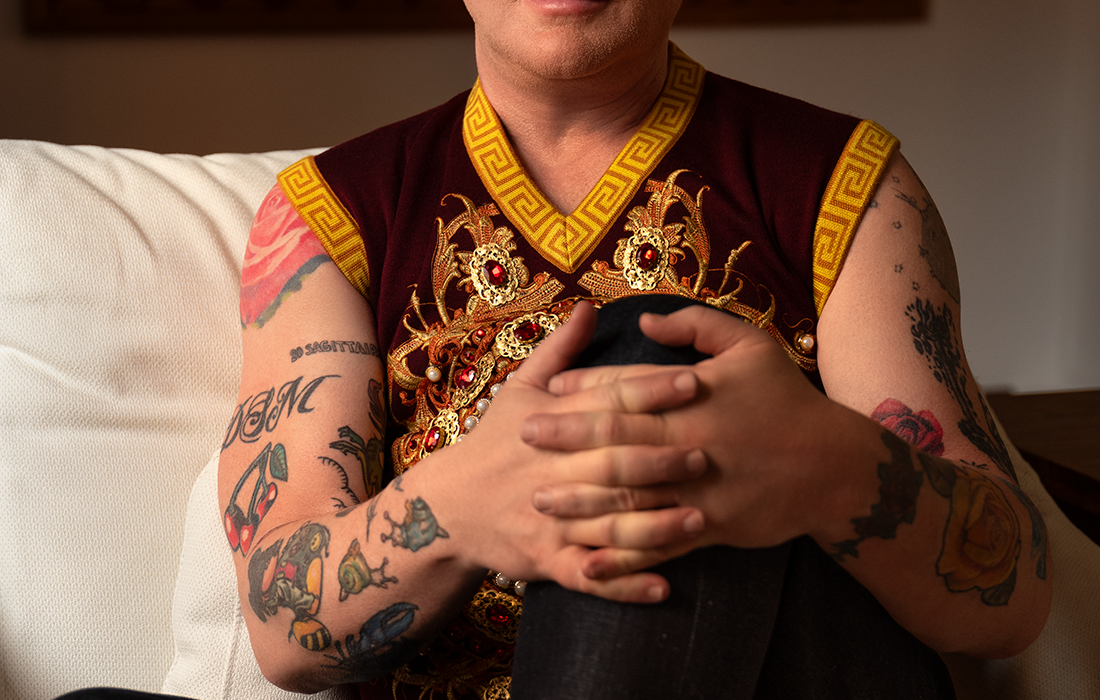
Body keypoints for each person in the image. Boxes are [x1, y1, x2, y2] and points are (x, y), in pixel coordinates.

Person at [217, 1, 1053, 698]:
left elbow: (1010, 600)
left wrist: (824, 463)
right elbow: (283, 633)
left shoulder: (849, 186)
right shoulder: (329, 220)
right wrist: (465, 503)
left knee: (656, 357)